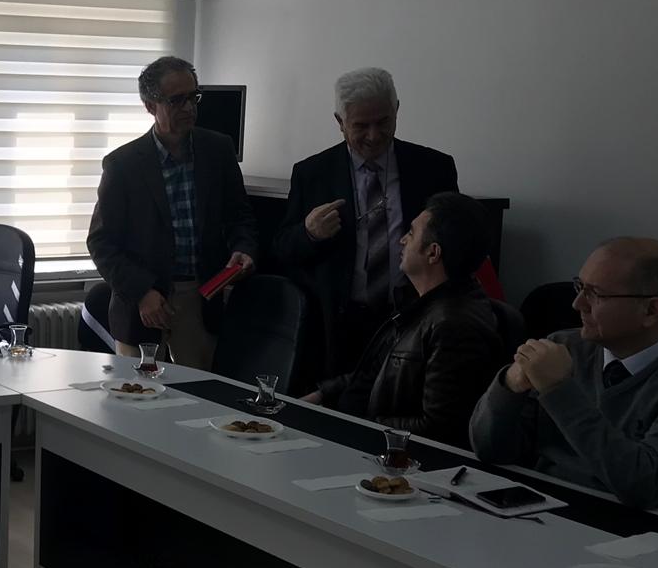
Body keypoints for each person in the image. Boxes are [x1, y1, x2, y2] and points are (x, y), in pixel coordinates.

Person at [471, 238, 658, 512]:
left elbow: (645, 485)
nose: (577, 304)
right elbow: (490, 450)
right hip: (539, 508)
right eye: (580, 287)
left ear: (651, 310)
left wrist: (559, 390)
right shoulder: (563, 347)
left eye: (595, 294)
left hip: (637, 527)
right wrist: (509, 385)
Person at [275, 67, 459, 384]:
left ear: (396, 110)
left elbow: (455, 244)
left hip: (414, 321)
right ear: (340, 122)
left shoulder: (434, 168)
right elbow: (281, 250)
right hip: (338, 326)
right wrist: (309, 234)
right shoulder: (313, 173)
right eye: (361, 126)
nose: (373, 136)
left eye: (383, 122)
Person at [87, 56, 257, 370]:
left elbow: (239, 216)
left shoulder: (218, 150)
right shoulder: (123, 165)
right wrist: (142, 292)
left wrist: (243, 248)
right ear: (150, 105)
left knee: (199, 390)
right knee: (138, 392)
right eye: (177, 100)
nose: (189, 108)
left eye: (194, 97)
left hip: (202, 296)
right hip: (143, 300)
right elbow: (101, 242)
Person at [304, 192, 504, 448]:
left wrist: (357, 425)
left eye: (410, 233)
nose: (402, 240)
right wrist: (322, 394)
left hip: (390, 453)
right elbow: (378, 371)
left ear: (433, 253)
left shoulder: (453, 326)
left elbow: (436, 428)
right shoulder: (420, 302)